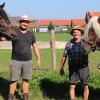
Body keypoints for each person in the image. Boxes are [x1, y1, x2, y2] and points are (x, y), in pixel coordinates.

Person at [8, 15, 41, 100]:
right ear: (20, 22)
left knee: (26, 79)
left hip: (28, 61)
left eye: (26, 22)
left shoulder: (31, 34)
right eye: (23, 21)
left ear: (28, 24)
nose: (24, 23)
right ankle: (10, 97)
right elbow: (4, 37)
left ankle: (25, 97)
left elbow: (35, 46)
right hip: (15, 60)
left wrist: (38, 58)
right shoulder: (13, 32)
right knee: (13, 80)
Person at [60, 26, 89, 100]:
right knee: (72, 85)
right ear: (72, 34)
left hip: (83, 67)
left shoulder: (85, 43)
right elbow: (64, 56)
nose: (76, 33)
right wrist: (61, 67)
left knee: (85, 85)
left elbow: (93, 48)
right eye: (74, 32)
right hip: (72, 67)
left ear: (80, 33)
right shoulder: (69, 43)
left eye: (77, 32)